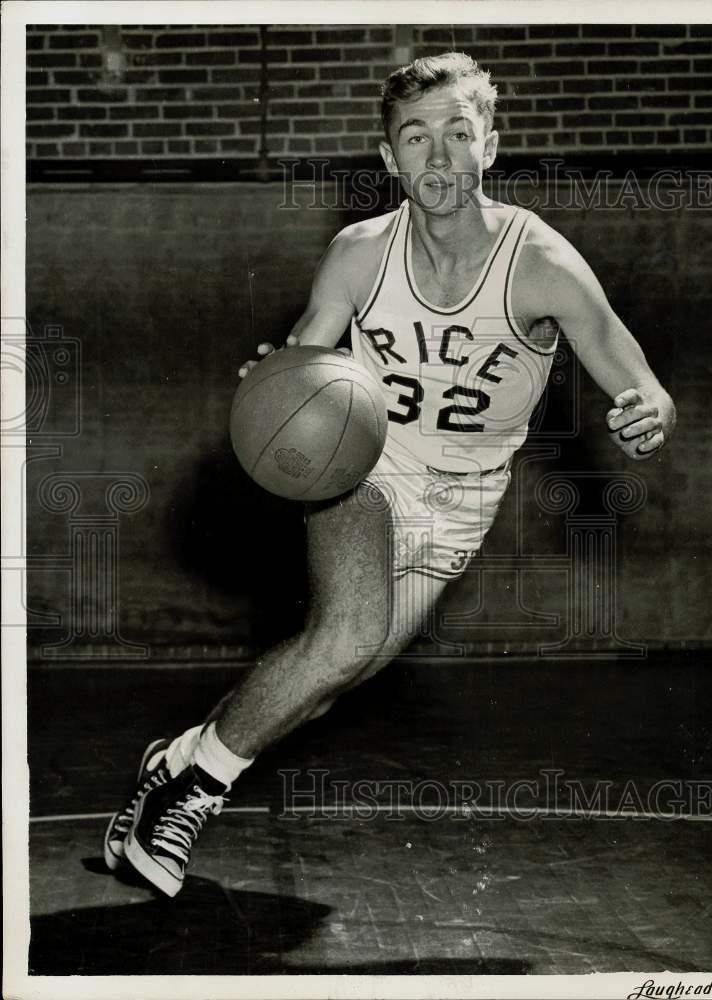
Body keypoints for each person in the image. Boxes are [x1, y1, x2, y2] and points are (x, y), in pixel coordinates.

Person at [102, 52, 676, 897]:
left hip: (464, 504)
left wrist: (648, 413)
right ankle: (195, 791)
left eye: (457, 133)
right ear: (387, 158)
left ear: (491, 144)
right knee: (348, 633)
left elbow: (642, 383)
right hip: (363, 469)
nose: (438, 158)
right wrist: (278, 382)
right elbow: (305, 360)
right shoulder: (360, 253)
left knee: (337, 673)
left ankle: (181, 754)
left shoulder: (543, 263)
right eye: (416, 137)